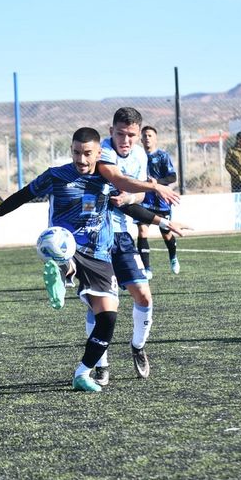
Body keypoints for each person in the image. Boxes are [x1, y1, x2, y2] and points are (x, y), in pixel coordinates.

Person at [0, 127, 188, 392]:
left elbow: (128, 206)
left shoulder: (106, 180)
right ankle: (63, 270)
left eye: (86, 154)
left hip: (99, 255)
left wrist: (163, 220)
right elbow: (21, 196)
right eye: (75, 153)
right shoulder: (56, 176)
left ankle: (82, 373)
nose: (81, 160)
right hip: (66, 244)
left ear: (98, 154)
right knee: (60, 244)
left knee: (108, 317)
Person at [91, 107, 162, 386]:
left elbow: (139, 192)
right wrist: (146, 189)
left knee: (143, 296)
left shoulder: (141, 155)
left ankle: (138, 346)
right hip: (96, 237)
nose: (126, 140)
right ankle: (101, 363)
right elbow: (117, 179)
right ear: (111, 132)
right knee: (101, 304)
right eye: (120, 133)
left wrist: (130, 199)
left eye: (131, 135)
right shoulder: (103, 152)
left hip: (122, 235)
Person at [136, 125, 180, 278]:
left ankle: (173, 257)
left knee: (166, 233)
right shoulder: (137, 155)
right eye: (144, 135)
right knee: (142, 232)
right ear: (140, 139)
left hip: (161, 201)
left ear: (155, 138)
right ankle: (146, 269)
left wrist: (158, 182)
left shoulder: (162, 156)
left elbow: (172, 177)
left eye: (150, 135)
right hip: (143, 200)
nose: (147, 138)